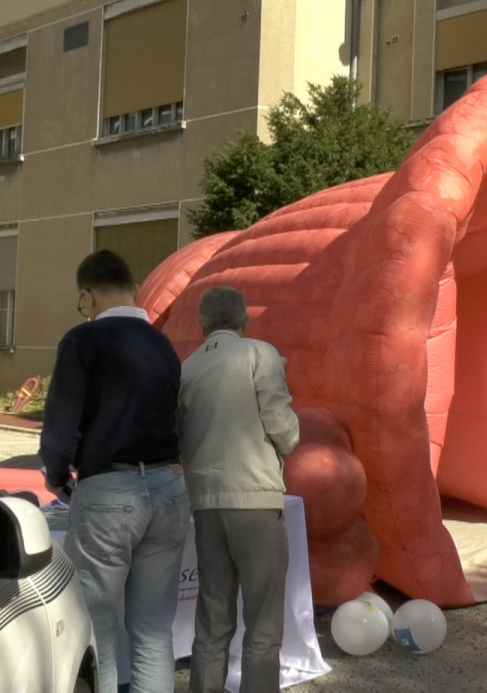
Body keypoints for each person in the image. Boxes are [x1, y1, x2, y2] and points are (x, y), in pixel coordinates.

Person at [38, 249, 190, 693]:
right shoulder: (162, 345)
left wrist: (55, 474)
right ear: (133, 288)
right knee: (153, 629)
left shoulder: (82, 342)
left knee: (96, 626)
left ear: (87, 295)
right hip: (167, 489)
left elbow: (61, 421)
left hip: (108, 490)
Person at [178, 285, 300, 693]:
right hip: (255, 500)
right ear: (243, 321)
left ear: (202, 323)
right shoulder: (260, 353)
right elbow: (282, 426)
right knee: (263, 623)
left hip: (206, 504)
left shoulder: (187, 368)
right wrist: (292, 437)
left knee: (212, 619)